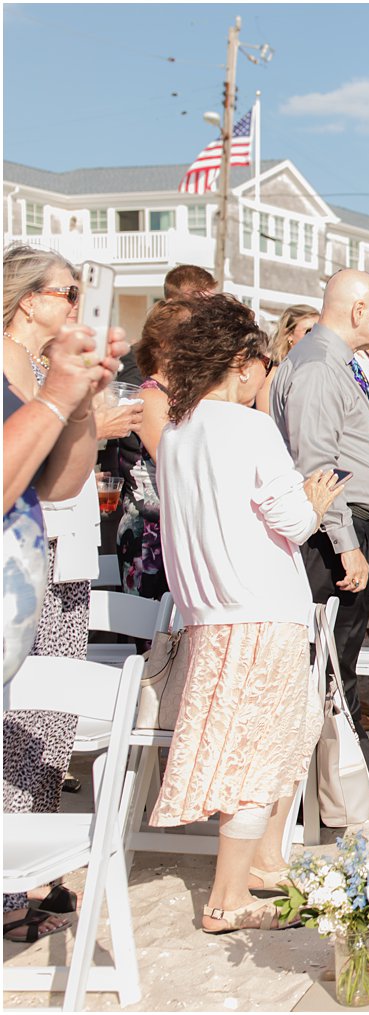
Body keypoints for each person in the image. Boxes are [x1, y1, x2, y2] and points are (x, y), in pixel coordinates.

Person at [150, 293, 344, 933]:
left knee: (266, 736)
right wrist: (314, 501)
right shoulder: (250, 426)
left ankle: (263, 862)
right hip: (262, 605)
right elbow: (289, 519)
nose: (267, 376)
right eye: (264, 362)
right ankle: (227, 898)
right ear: (242, 362)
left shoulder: (176, 430)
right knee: (259, 749)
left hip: (206, 609)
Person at [3, 265, 125, 943]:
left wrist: (80, 404)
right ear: (26, 300)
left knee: (47, 722)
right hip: (18, 573)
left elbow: (61, 478)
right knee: (17, 730)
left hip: (54, 555)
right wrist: (60, 395)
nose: (77, 304)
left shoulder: (50, 372)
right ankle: (11, 885)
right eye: (66, 292)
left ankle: (32, 867)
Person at [269, 269, 369, 791]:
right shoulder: (316, 366)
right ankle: (334, 773)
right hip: (338, 530)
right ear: (357, 311)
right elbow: (318, 467)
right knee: (331, 654)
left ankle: (347, 765)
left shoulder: (342, 363)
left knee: (343, 651)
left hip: (357, 524)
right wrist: (347, 543)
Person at [115, 299, 194, 601]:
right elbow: (174, 459)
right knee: (155, 640)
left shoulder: (180, 394)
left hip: (175, 527)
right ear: (164, 343)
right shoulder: (151, 395)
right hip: (149, 534)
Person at [255, 303, 318, 414]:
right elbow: (266, 418)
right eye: (309, 331)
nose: (317, 336)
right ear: (289, 334)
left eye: (319, 330)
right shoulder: (273, 374)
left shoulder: (319, 371)